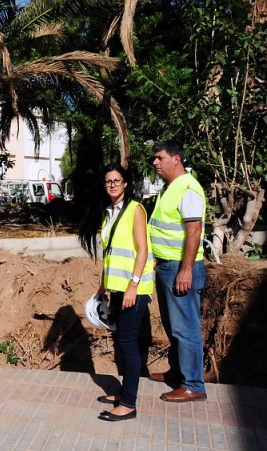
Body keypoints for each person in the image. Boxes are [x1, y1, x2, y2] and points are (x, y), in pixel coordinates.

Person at [78, 164, 155, 422]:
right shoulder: (108, 213)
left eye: (117, 180)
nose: (112, 184)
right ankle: (123, 392)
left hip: (135, 289)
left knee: (127, 344)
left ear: (125, 184)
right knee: (122, 341)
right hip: (118, 288)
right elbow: (111, 254)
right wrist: (103, 285)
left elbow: (142, 251)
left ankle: (129, 404)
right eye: (108, 181)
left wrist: (133, 285)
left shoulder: (135, 210)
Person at [147, 140, 208, 402]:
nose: (155, 163)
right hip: (167, 266)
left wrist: (185, 270)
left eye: (159, 158)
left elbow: (194, 230)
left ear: (176, 159)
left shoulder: (188, 188)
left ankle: (194, 384)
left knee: (186, 328)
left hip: (180, 268)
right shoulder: (170, 188)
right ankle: (178, 373)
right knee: (174, 327)